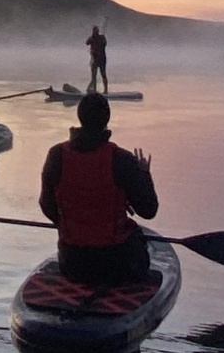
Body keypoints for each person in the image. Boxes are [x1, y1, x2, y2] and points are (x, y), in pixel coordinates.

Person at [38, 92, 157, 285]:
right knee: (138, 239)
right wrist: (144, 175)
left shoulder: (56, 155)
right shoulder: (123, 159)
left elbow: (46, 205)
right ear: (107, 119)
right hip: (117, 265)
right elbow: (148, 211)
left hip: (72, 263)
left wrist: (70, 226)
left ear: (79, 116)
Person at [85, 24, 109, 94]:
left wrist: (103, 39)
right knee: (94, 76)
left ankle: (106, 90)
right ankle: (94, 90)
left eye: (96, 31)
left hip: (101, 59)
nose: (95, 32)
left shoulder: (102, 38)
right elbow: (86, 43)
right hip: (95, 59)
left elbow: (105, 44)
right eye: (94, 31)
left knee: (103, 74)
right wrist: (91, 38)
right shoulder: (92, 38)